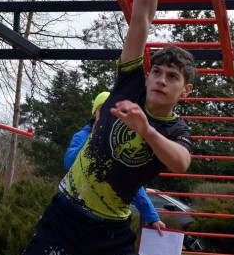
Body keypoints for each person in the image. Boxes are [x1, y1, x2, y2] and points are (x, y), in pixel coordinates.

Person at [0, 0, 195, 255]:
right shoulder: (129, 83)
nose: (161, 80)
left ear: (185, 90)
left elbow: (181, 162)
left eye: (172, 77)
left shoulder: (174, 130)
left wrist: (146, 130)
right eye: (158, 72)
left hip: (111, 234)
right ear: (147, 75)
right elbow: (142, 16)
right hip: (65, 218)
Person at [66, 91, 165, 235]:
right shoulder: (82, 136)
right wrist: (94, 136)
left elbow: (132, 183)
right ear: (95, 113)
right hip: (80, 212)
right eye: (102, 110)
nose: (107, 115)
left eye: (111, 111)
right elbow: (69, 163)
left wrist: (152, 217)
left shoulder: (120, 143)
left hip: (110, 219)